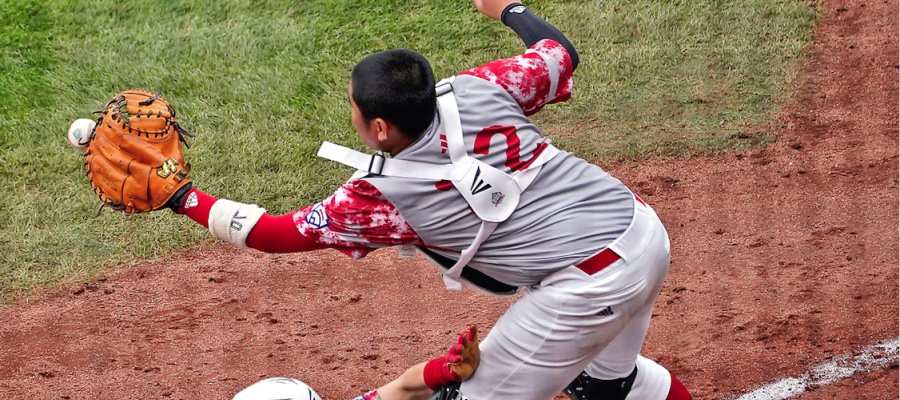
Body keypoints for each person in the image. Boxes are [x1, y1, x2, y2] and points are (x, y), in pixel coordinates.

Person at [167, 1, 693, 399]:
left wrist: (181, 197)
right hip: (641, 230)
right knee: (608, 386)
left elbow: (271, 234)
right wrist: (509, 8)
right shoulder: (477, 88)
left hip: (586, 287)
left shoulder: (380, 196)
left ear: (377, 127)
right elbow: (559, 54)